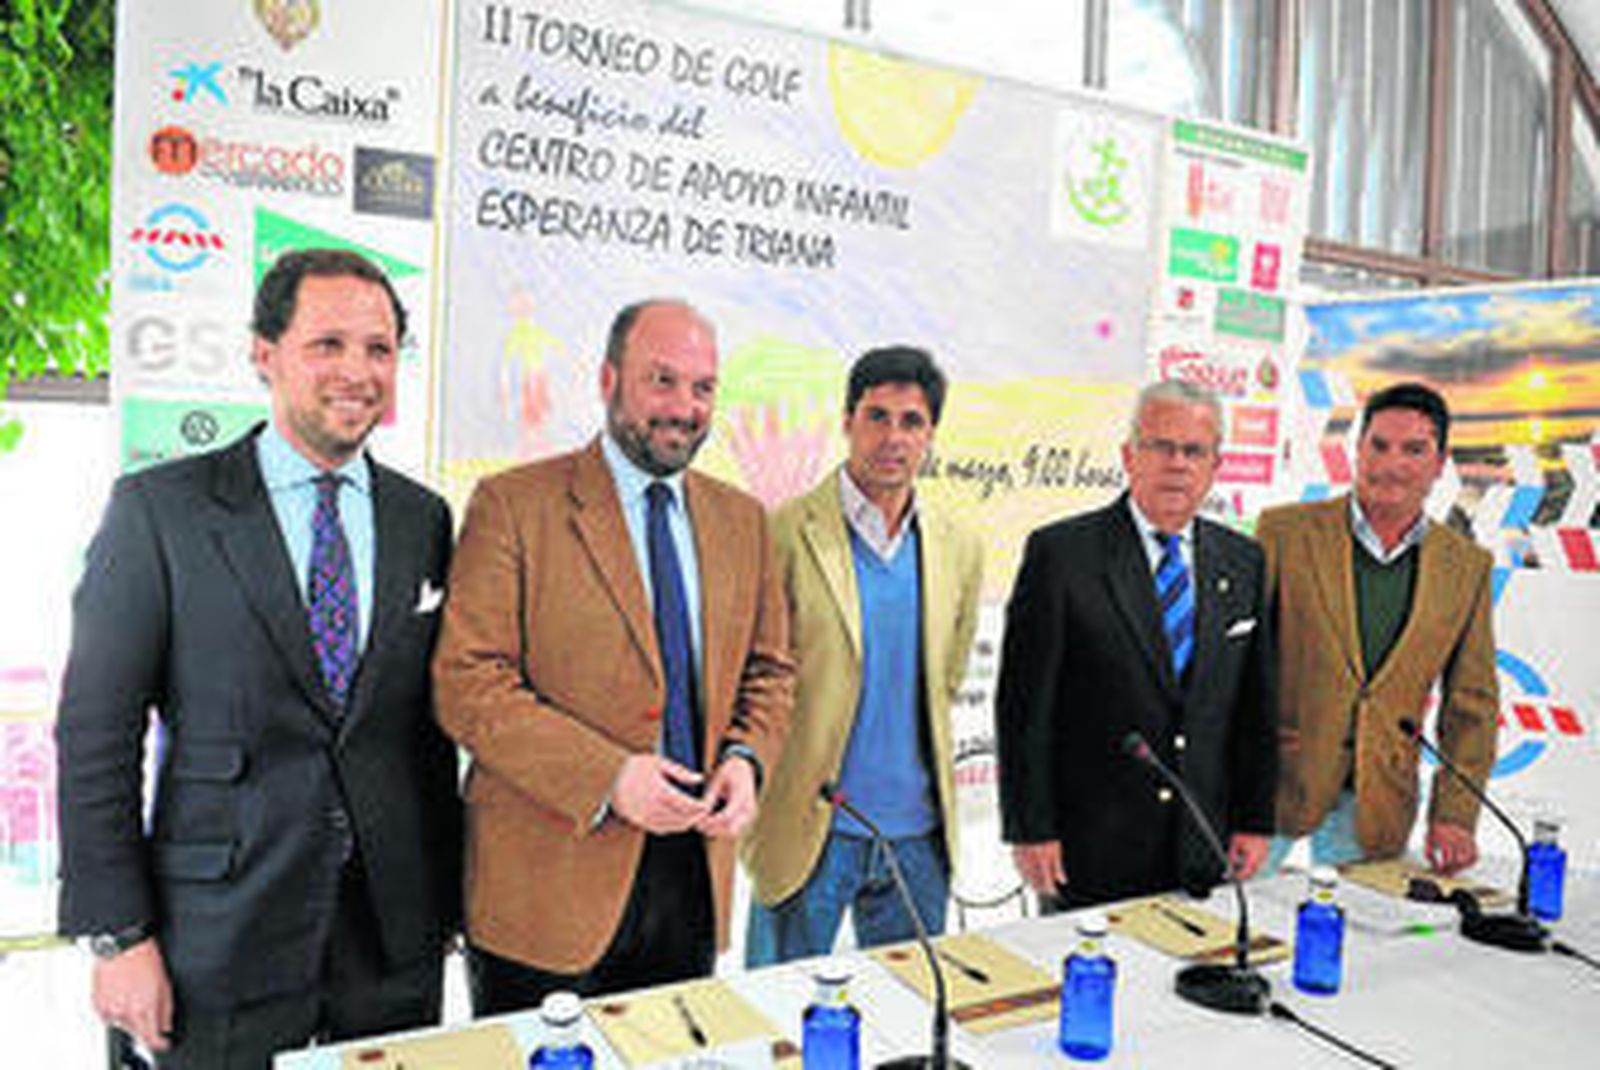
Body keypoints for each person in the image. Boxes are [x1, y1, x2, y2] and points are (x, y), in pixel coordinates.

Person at [55, 249, 462, 1068]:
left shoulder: (424, 519)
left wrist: (445, 903)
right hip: (212, 937)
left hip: (388, 940)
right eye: (329, 344)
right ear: (264, 353)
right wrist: (116, 937)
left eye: (379, 349)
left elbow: (425, 734)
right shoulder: (159, 513)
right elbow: (96, 735)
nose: (358, 371)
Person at [433, 298, 793, 1014]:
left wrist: (748, 759)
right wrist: (608, 777)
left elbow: (770, 671)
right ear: (607, 379)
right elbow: (467, 684)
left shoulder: (742, 521)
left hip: (691, 874)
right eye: (662, 380)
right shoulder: (513, 505)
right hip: (546, 890)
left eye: (702, 387)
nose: (684, 407)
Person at [741, 346, 983, 965]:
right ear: (847, 421)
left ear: (931, 434)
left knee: (906, 1027)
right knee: (779, 1026)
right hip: (810, 833)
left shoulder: (958, 546)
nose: (893, 438)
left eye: (911, 421)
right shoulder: (785, 534)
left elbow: (949, 675)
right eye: (877, 416)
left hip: (918, 840)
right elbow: (755, 680)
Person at [996, 379, 1276, 908]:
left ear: (1216, 465)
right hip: (1090, 845)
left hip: (1202, 840)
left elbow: (1255, 708)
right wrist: (1030, 828)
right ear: (1129, 456)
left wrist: (1255, 820)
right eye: (1161, 446)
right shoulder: (1062, 554)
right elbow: (1023, 709)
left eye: (1194, 451)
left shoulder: (1244, 561)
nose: (1177, 464)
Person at [1258, 381, 1498, 874]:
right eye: (1379, 445)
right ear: (1357, 449)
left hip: (1377, 808)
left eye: (1414, 450)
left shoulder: (1466, 566)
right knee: (1233, 932)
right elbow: (1234, 665)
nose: (1391, 464)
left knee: (1353, 942)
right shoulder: (1284, 533)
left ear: (1439, 463)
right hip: (1269, 795)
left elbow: (1472, 706)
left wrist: (1455, 814)